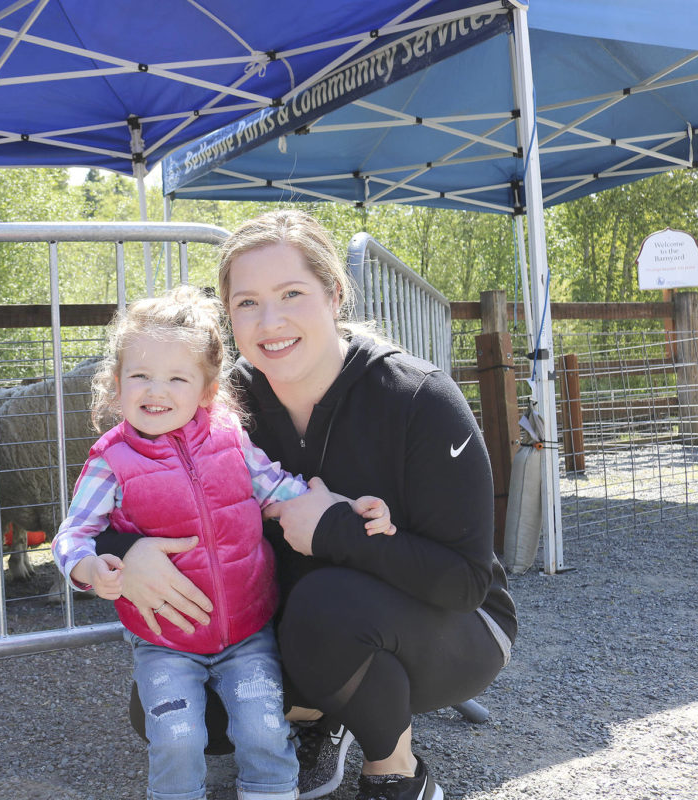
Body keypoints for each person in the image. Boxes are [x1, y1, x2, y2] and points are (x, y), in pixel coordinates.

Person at [95, 210, 517, 800]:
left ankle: (396, 772)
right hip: (296, 629)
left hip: (452, 624)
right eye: (247, 302)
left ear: (334, 293)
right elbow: (117, 499)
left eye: (291, 293)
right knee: (168, 711)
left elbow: (465, 582)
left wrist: (335, 529)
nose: (270, 322)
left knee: (326, 605)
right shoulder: (218, 408)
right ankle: (324, 712)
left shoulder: (419, 397)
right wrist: (127, 550)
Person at [53, 284, 396, 800]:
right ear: (117, 384)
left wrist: (345, 507)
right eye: (140, 376)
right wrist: (88, 569)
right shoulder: (111, 461)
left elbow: (279, 490)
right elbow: (73, 534)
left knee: (263, 732)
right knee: (176, 738)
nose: (156, 391)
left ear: (206, 390)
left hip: (249, 631)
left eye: (177, 378)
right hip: (165, 641)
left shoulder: (231, 438)